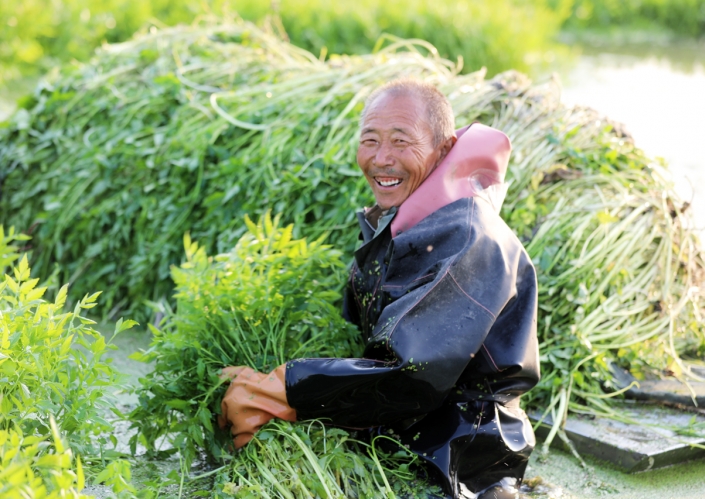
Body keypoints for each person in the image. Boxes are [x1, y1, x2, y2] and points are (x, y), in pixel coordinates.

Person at [219, 79, 540, 499]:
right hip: (403, 428)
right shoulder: (413, 217)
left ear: (443, 150)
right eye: (369, 140)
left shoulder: (466, 236)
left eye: (401, 142)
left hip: (462, 456)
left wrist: (279, 389)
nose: (381, 159)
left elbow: (411, 374)